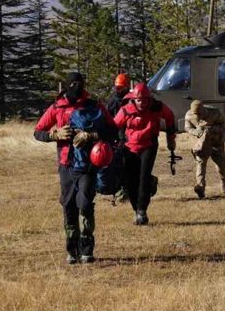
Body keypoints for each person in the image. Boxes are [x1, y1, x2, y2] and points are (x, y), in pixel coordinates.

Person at [34, 72, 117, 264]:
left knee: (86, 203)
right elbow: (38, 132)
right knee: (69, 205)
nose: (77, 89)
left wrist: (93, 135)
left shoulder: (94, 106)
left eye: (80, 85)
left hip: (89, 164)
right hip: (66, 165)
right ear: (67, 87)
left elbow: (113, 129)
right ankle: (72, 250)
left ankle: (87, 248)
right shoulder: (57, 107)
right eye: (73, 85)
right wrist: (54, 135)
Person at [113, 82, 176, 225]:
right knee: (131, 180)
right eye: (139, 100)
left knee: (143, 177)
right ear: (134, 99)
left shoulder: (156, 107)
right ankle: (136, 209)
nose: (142, 103)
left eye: (145, 100)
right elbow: (113, 125)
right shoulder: (126, 110)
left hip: (149, 145)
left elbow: (170, 116)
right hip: (129, 147)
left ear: (149, 99)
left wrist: (170, 138)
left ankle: (142, 210)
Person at [184, 100, 225, 199]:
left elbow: (223, 125)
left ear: (203, 110)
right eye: (196, 114)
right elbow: (187, 128)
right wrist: (197, 132)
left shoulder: (215, 112)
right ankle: (201, 188)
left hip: (216, 142)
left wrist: (211, 129)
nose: (198, 115)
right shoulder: (189, 115)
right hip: (202, 144)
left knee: (221, 165)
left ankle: (224, 182)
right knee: (200, 164)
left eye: (199, 113)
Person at [105, 73, 131, 199]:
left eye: (121, 88)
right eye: (117, 87)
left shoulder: (131, 100)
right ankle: (121, 189)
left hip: (128, 137)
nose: (118, 90)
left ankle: (126, 189)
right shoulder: (112, 102)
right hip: (117, 138)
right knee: (119, 164)